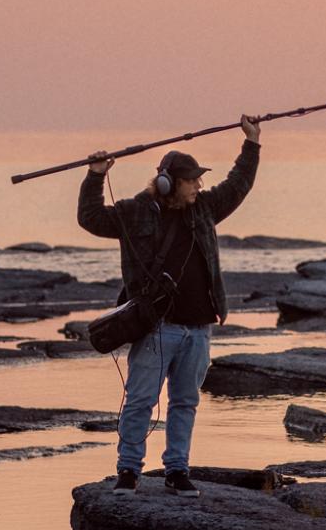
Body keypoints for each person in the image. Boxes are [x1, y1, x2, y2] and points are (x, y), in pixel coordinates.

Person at [77, 115, 262, 497]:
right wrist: (95, 175)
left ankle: (177, 470)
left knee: (185, 403)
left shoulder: (205, 208)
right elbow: (91, 218)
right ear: (167, 183)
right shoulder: (134, 212)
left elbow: (237, 186)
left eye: (199, 179)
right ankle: (128, 471)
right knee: (141, 401)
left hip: (199, 328)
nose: (200, 185)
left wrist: (252, 144)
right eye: (192, 180)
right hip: (157, 327)